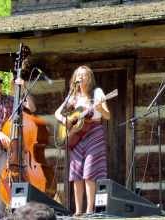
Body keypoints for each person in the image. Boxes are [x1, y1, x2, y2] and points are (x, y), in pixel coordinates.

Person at [0, 72, 35, 217]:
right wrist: (1, 134)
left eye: (0, 81)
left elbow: (32, 108)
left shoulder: (9, 100)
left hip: (5, 149)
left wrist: (24, 88)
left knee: (2, 183)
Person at [55, 65, 110, 216]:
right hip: (76, 136)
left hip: (94, 133)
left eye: (84, 75)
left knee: (89, 172)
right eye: (78, 75)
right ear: (74, 78)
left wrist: (100, 108)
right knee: (76, 173)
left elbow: (107, 116)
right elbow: (57, 113)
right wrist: (67, 120)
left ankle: (89, 210)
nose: (81, 77)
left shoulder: (97, 93)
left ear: (90, 78)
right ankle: (78, 211)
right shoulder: (73, 96)